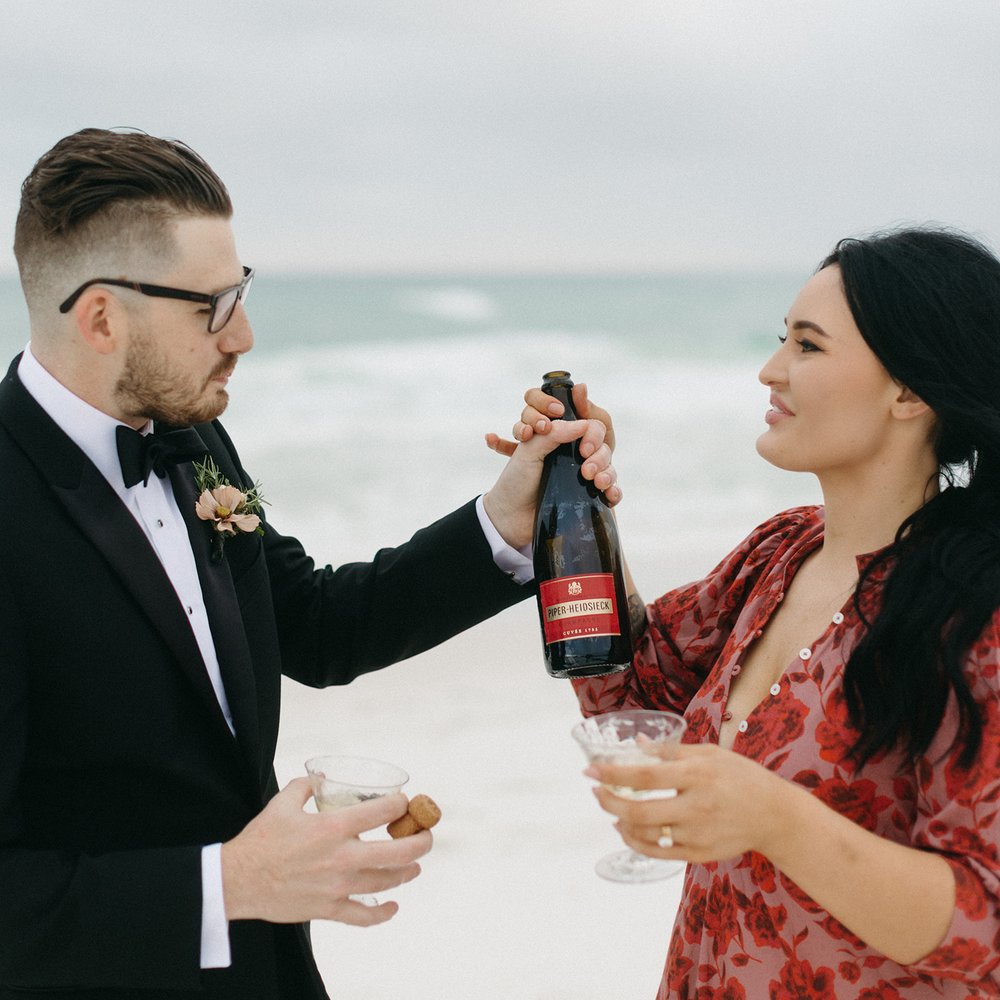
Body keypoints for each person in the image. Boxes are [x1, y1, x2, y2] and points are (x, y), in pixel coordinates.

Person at [0, 127, 619, 1000]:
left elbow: (319, 626)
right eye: (212, 307)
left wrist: (507, 517)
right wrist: (227, 885)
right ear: (102, 317)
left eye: (241, 292)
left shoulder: (190, 435)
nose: (244, 334)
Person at [495, 227, 1000, 998]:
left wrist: (777, 818)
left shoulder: (974, 613)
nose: (771, 370)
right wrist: (578, 503)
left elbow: (984, 927)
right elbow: (633, 691)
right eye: (781, 340)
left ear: (910, 392)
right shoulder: (780, 552)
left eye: (808, 346)